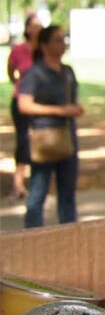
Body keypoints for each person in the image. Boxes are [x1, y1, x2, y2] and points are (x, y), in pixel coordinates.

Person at [17, 25, 84, 228]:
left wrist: (73, 110)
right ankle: (32, 236)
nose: (62, 44)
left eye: (63, 39)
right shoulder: (34, 73)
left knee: (68, 194)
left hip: (67, 138)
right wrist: (59, 111)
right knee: (38, 193)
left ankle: (69, 234)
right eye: (57, 40)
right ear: (44, 45)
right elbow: (24, 105)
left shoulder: (67, 72)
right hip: (44, 138)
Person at [6, 13, 42, 199]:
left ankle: (37, 183)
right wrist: (18, 84)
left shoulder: (44, 49)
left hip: (41, 102)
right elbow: (11, 70)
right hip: (21, 101)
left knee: (39, 141)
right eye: (35, 25)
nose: (39, 28)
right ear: (27, 29)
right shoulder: (19, 50)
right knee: (23, 140)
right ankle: (18, 183)